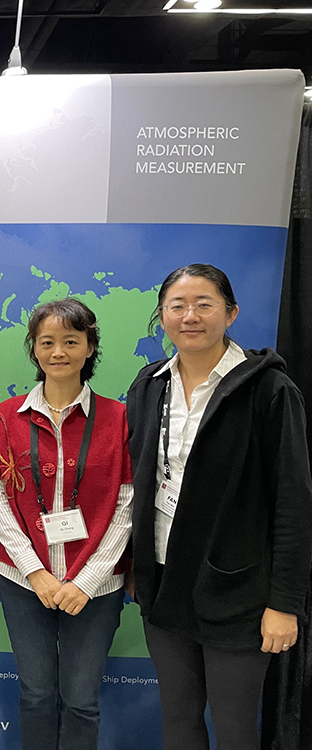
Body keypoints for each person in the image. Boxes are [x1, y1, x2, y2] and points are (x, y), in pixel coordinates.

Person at [126, 263, 312, 750]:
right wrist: (138, 568)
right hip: (165, 586)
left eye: (204, 304)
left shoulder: (269, 390)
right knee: (179, 720)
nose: (190, 316)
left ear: (230, 314)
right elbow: (141, 483)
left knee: (233, 728)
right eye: (177, 306)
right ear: (162, 317)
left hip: (240, 593)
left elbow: (293, 503)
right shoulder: (148, 386)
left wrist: (284, 605)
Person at [0, 299, 132, 750]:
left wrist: (85, 581)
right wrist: (36, 572)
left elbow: (127, 503)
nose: (59, 352)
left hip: (96, 585)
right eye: (47, 342)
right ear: (34, 349)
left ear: (90, 348)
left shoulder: (118, 417)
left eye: (71, 341)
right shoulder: (9, 416)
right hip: (23, 580)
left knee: (82, 699)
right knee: (36, 694)